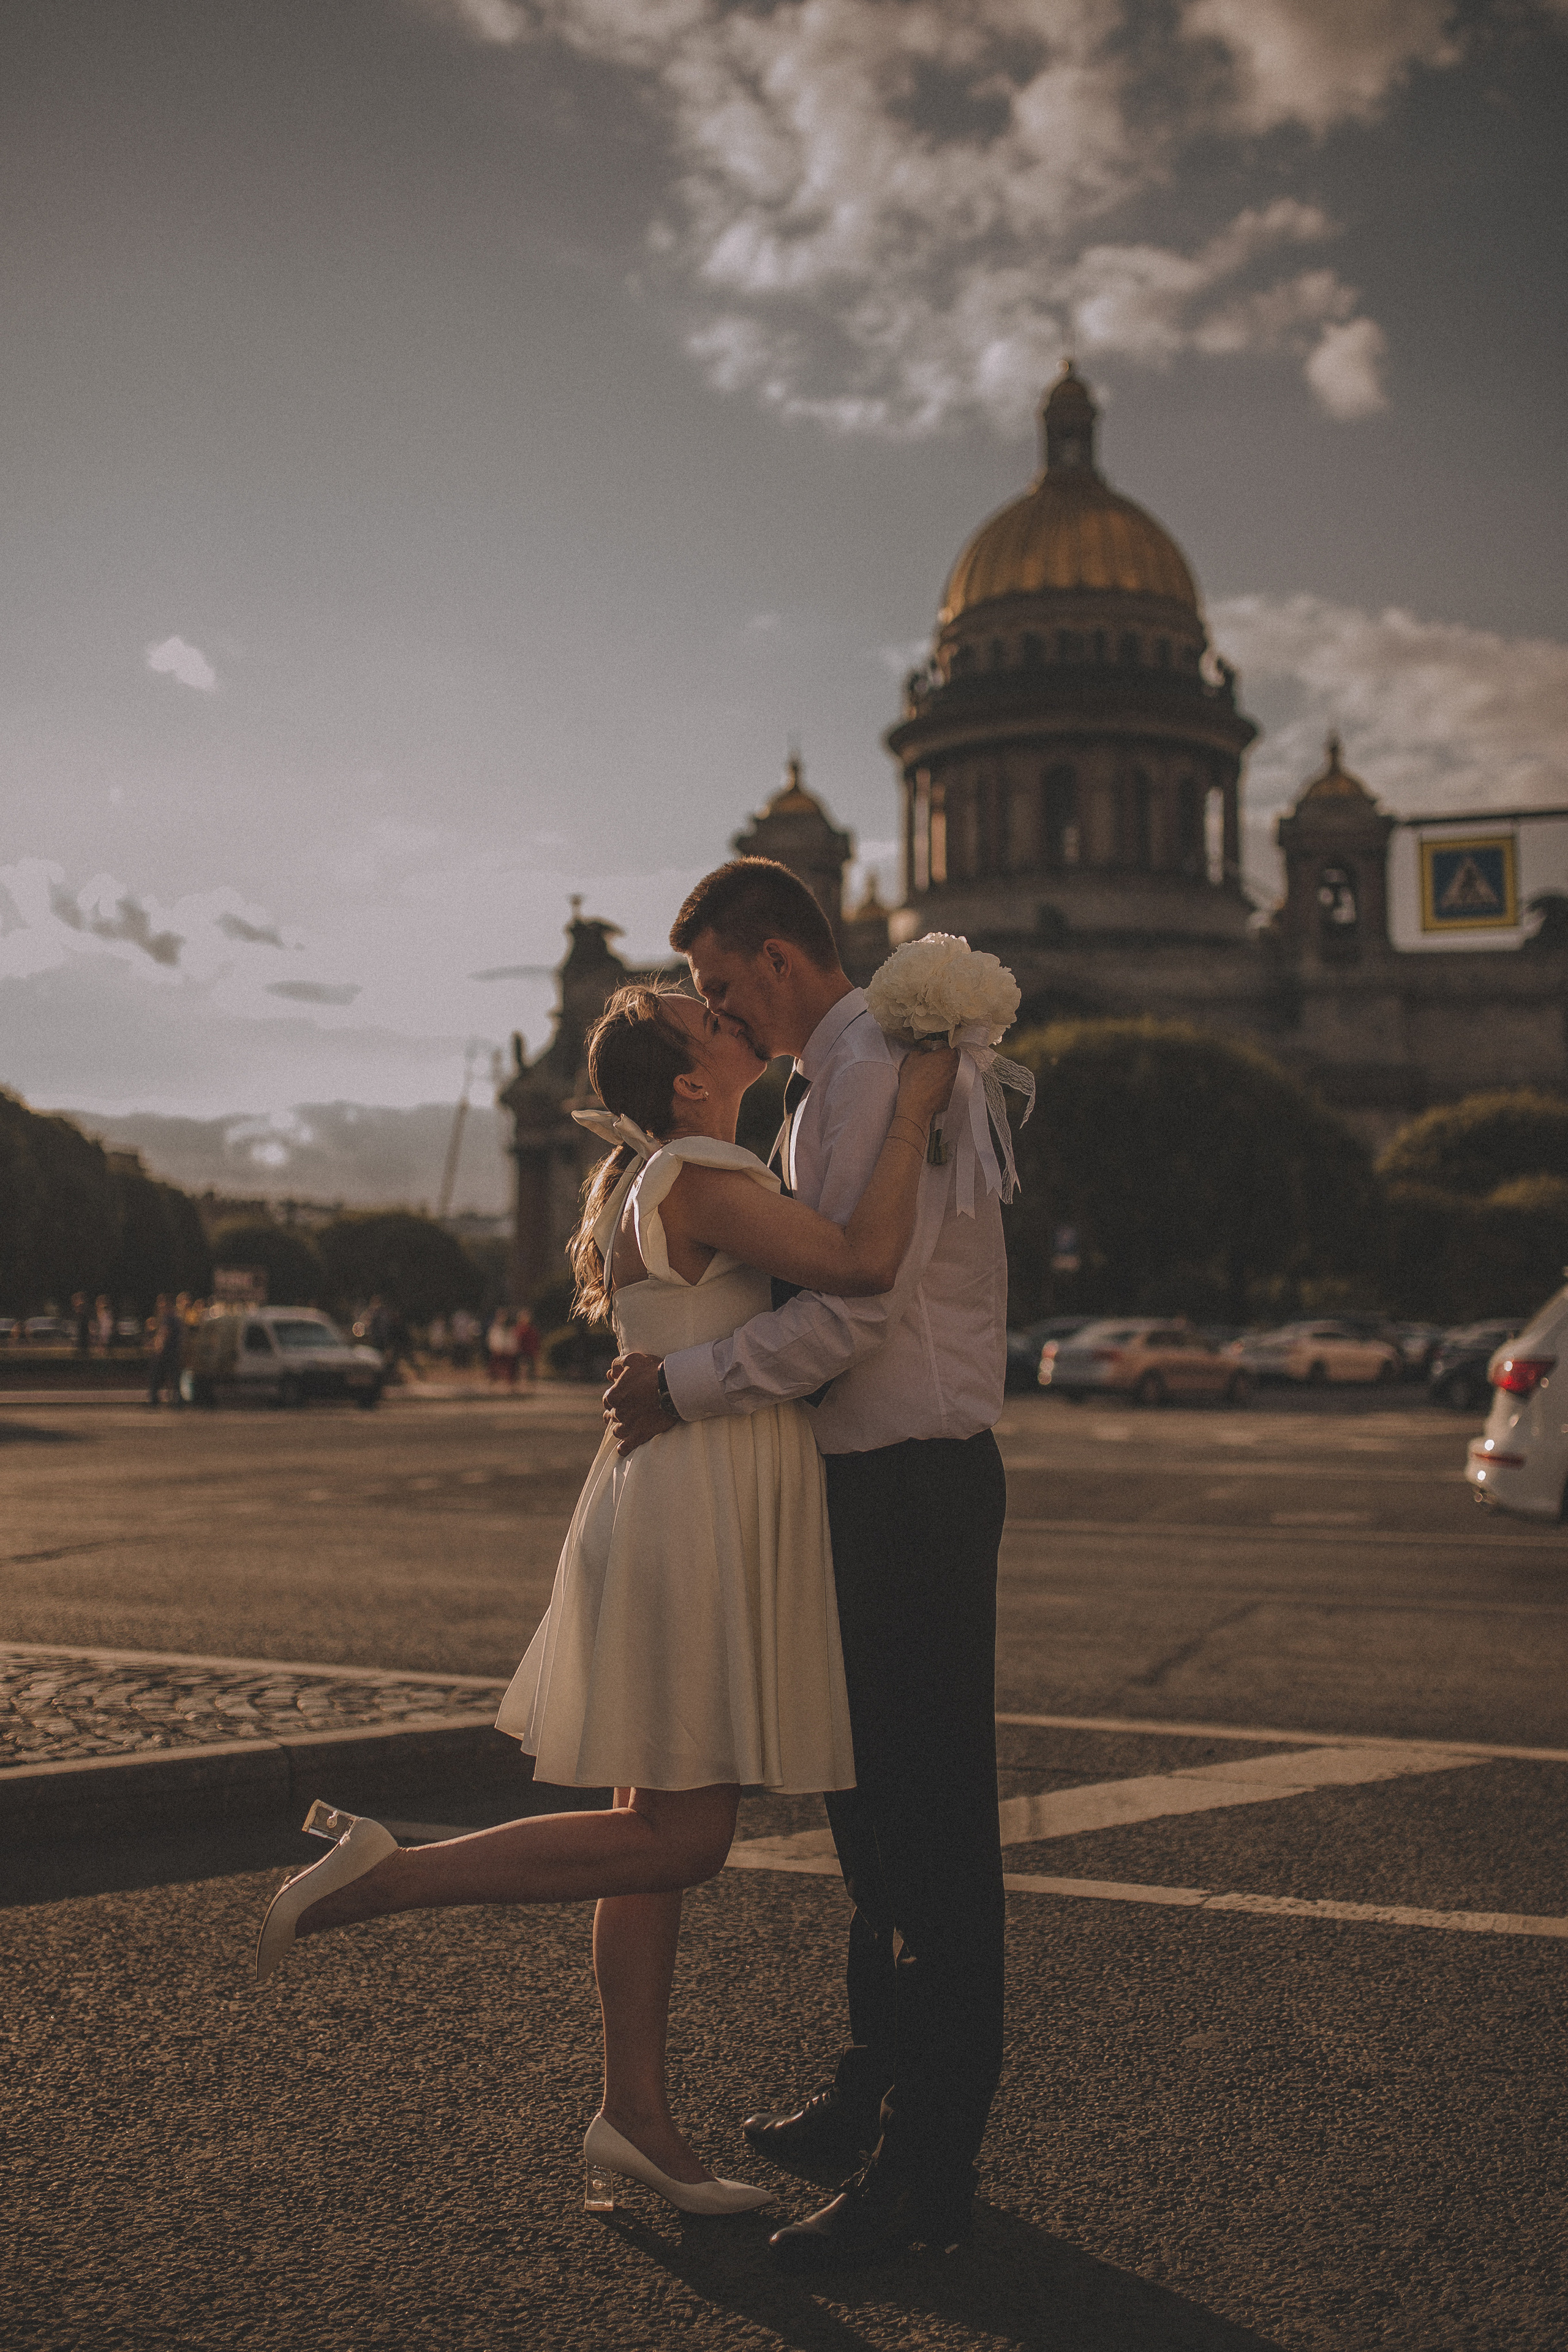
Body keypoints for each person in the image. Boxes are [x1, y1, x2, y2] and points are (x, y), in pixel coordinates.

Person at [250, 979, 956, 2223]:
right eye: (709, 1020)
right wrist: (914, 1111)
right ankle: (392, 1873)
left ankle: (634, 2117)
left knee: (647, 1830)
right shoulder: (695, 1168)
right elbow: (860, 1260)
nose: (732, 1018)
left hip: (672, 1493)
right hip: (698, 1504)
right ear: (689, 1081)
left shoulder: (660, 1171)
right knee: (683, 1836)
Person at [606, 856, 1009, 2274]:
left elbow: (853, 1310)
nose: (716, 1010)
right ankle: (872, 2088)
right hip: (870, 1484)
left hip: (908, 1478)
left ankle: (925, 2167)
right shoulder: (833, 1078)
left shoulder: (867, 1074)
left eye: (719, 985)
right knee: (869, 1812)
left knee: (927, 1830)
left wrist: (687, 1383)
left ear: (774, 959)